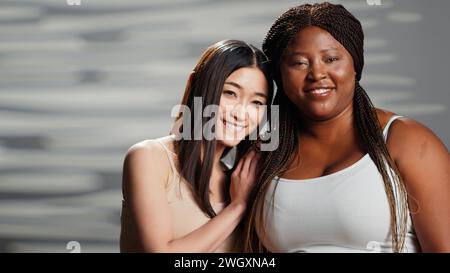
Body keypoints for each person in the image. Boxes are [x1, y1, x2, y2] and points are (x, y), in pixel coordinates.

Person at [243, 2, 450, 253]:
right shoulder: (264, 154)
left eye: (331, 59)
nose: (317, 73)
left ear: (355, 65)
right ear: (279, 74)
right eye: (299, 63)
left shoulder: (407, 141)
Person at [120, 39, 273, 252]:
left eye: (257, 102)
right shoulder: (149, 157)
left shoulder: (241, 180)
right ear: (194, 84)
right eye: (230, 93)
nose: (241, 113)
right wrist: (238, 207)